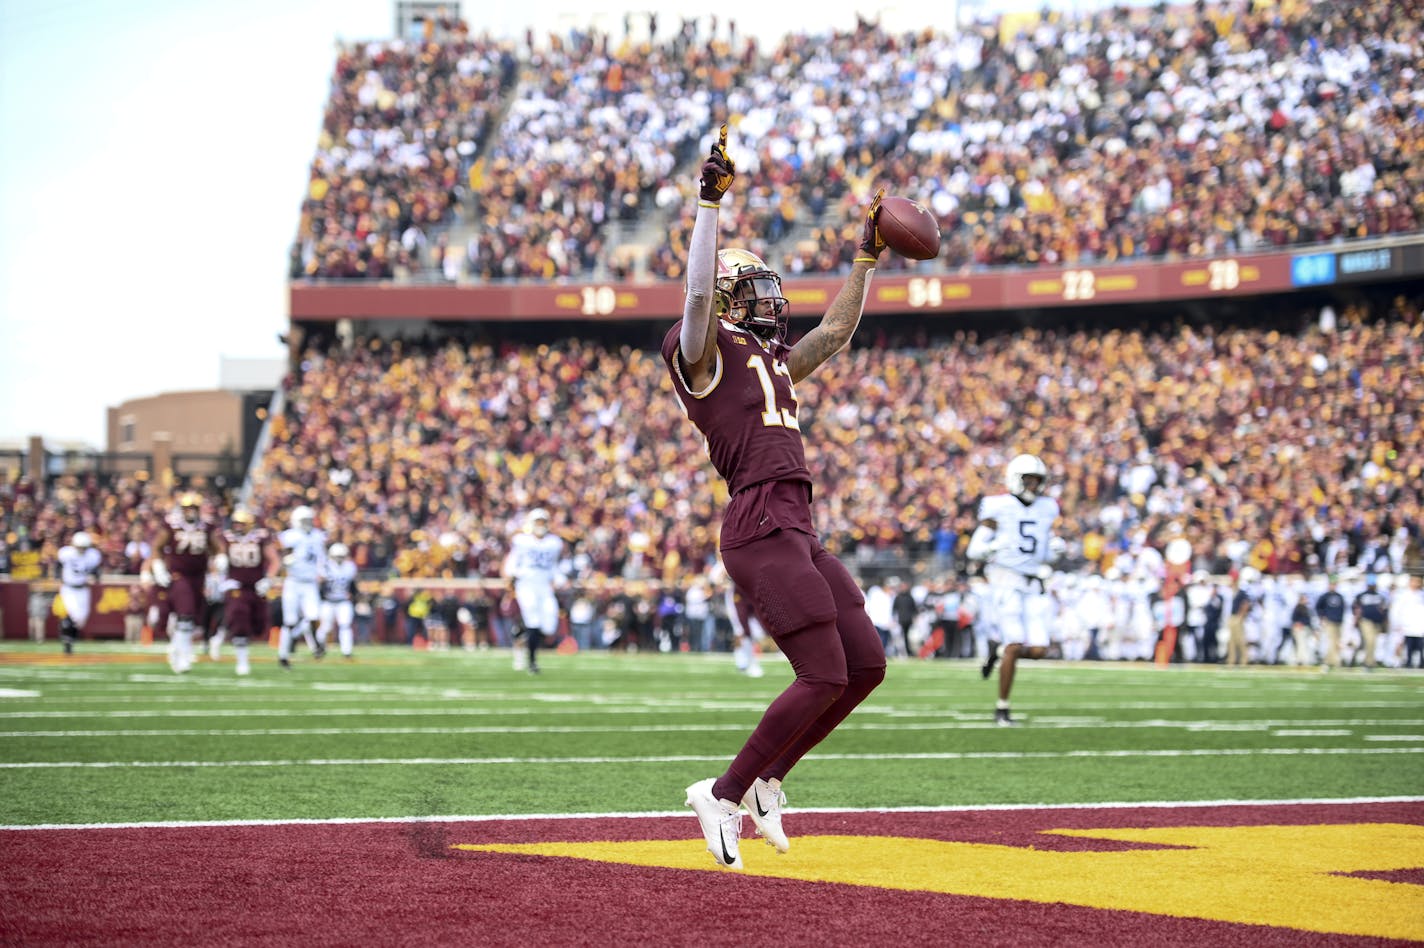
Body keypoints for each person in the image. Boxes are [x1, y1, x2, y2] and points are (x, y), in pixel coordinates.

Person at [666, 126, 887, 870]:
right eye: (750, 285)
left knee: (863, 666)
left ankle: (766, 782)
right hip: (759, 519)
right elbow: (696, 292)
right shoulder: (700, 348)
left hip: (797, 520)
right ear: (727, 294)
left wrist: (865, 257)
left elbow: (837, 331)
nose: (767, 295)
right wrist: (707, 206)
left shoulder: (771, 357)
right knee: (820, 672)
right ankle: (722, 793)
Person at [966, 453, 1063, 725]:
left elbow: (1042, 551)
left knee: (1039, 650)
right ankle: (1002, 708)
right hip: (1005, 581)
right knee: (1015, 644)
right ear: (1015, 480)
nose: (1033, 486)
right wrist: (991, 548)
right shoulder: (998, 507)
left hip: (1033, 583)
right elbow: (974, 550)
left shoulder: (1047, 508)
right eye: (1028, 480)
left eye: (1037, 480)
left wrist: (1054, 552)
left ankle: (996, 652)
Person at [151, 492, 226, 674]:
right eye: (187, 509)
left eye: (193, 508)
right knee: (185, 614)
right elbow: (157, 547)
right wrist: (158, 566)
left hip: (199, 576)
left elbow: (217, 547)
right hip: (179, 575)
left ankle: (177, 650)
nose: (190, 512)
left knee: (191, 618)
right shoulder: (172, 525)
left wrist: (221, 558)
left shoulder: (206, 526)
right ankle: (183, 657)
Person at [502, 508, 564, 674]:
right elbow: (511, 563)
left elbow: (553, 567)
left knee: (549, 625)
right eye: (538, 522)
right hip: (526, 586)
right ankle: (532, 662)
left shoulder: (554, 543)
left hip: (544, 588)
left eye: (543, 522)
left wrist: (559, 578)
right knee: (533, 620)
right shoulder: (521, 541)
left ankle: (521, 635)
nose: (540, 525)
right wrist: (511, 576)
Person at [218, 508, 277, 676]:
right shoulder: (227, 539)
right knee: (239, 617)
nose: (237, 526)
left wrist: (268, 579)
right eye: (235, 523)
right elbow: (218, 554)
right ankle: (242, 661)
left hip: (256, 586)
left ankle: (221, 633)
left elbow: (274, 560)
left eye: (241, 523)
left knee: (259, 625)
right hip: (236, 586)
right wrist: (221, 571)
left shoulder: (260, 538)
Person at [277, 505, 327, 667]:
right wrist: (284, 561)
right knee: (289, 621)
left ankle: (298, 639)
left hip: (310, 583)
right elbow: (280, 554)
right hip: (293, 581)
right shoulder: (289, 536)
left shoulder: (318, 536)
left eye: (309, 520)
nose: (307, 523)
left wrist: (322, 572)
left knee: (313, 617)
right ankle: (283, 655)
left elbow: (321, 557)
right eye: (304, 520)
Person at [55, 531, 103, 654]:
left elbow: (95, 570)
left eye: (84, 547)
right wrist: (58, 578)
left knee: (81, 619)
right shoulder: (66, 553)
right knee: (72, 615)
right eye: (79, 547)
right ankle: (67, 641)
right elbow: (58, 565)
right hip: (69, 588)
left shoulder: (92, 555)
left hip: (83, 589)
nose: (81, 550)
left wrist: (96, 576)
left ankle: (69, 637)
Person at [316, 542, 359, 659]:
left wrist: (354, 597)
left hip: (343, 601)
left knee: (345, 625)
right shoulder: (325, 566)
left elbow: (353, 585)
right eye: (337, 556)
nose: (339, 559)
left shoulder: (350, 567)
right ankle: (319, 648)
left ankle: (347, 652)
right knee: (326, 627)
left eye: (341, 556)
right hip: (327, 601)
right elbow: (319, 585)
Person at [726, 581, 766, 678]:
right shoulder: (739, 587)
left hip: (747, 603)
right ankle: (743, 662)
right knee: (739, 632)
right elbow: (740, 610)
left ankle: (750, 661)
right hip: (736, 601)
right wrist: (746, 629)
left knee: (756, 634)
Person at [1352, 575, 1388, 670]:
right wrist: (1356, 618)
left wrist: (1384, 621)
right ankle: (1368, 662)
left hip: (1377, 622)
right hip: (1365, 621)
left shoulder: (1380, 596)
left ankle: (1368, 661)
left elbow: (1384, 609)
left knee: (1372, 642)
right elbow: (1355, 607)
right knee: (1370, 640)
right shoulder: (1361, 595)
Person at [1390, 573, 1424, 669]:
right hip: (1406, 624)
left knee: (1420, 646)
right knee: (1407, 646)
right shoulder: (1403, 594)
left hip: (1420, 625)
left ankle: (1421, 663)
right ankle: (1406, 663)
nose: (1416, 584)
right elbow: (1396, 610)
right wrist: (1396, 623)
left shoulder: (1422, 594)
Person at [1315, 575, 1347, 669]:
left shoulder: (1339, 596)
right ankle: (1334, 662)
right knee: (1331, 641)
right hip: (1329, 621)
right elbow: (1318, 607)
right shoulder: (1325, 596)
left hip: (1338, 622)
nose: (1333, 586)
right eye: (1331, 584)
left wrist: (1341, 620)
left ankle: (1328, 661)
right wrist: (1322, 617)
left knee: (1337, 642)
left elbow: (1342, 609)